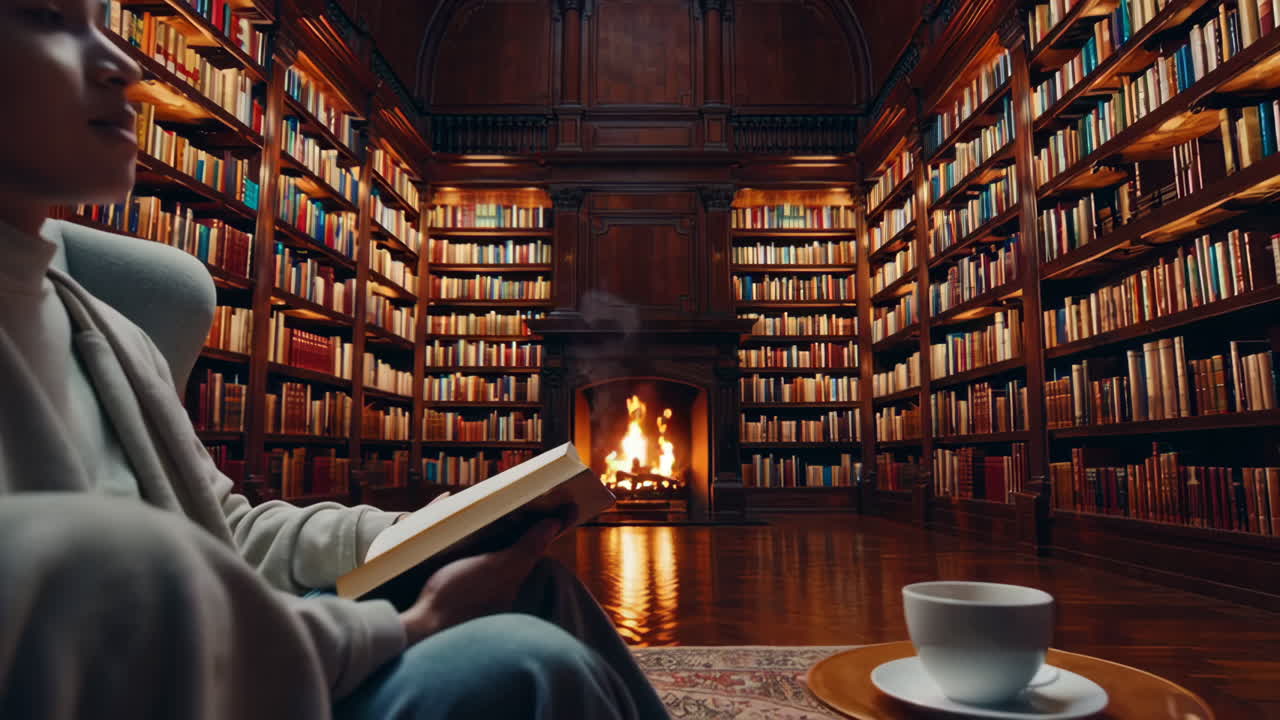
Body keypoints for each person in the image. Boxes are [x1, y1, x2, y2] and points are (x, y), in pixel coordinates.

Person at [0, 0, 669, 717]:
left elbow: (230, 534)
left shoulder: (106, 329)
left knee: (540, 587)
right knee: (530, 665)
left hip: (232, 648)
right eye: (47, 18)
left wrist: (419, 532)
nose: (123, 63)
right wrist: (411, 626)